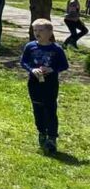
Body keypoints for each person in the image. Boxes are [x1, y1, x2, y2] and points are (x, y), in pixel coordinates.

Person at [21, 19, 69, 154]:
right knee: (37, 108)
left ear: (50, 32)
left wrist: (52, 69)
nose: (37, 33)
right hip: (34, 83)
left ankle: (52, 137)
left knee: (50, 108)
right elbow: (24, 62)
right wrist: (32, 69)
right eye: (35, 30)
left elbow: (64, 65)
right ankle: (42, 131)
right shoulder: (30, 46)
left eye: (41, 30)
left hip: (50, 84)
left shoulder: (56, 49)